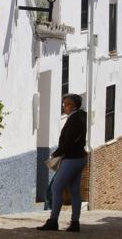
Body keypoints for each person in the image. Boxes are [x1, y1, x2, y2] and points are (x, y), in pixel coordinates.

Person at [37, 93, 87, 232]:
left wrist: (56, 153)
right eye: (64, 104)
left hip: (71, 159)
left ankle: (53, 221)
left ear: (75, 106)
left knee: (56, 188)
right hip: (80, 158)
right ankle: (75, 223)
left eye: (68, 104)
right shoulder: (81, 116)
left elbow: (69, 142)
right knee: (74, 192)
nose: (65, 107)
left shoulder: (74, 119)